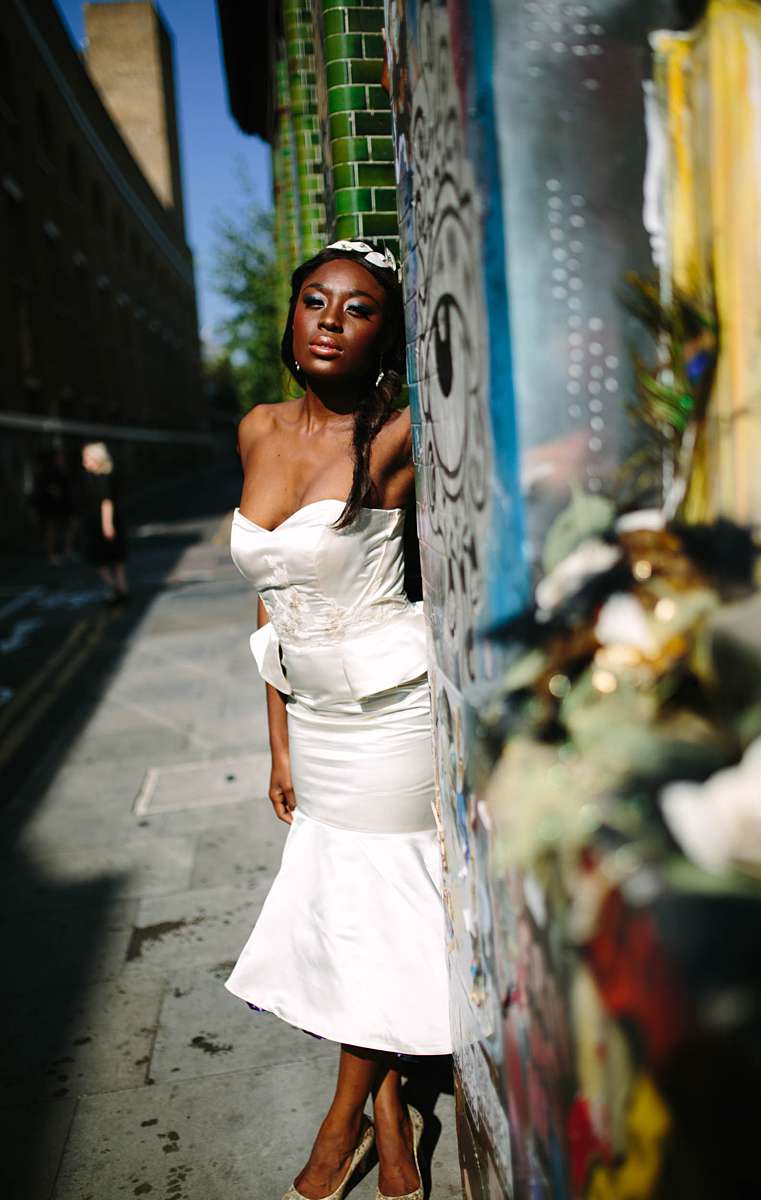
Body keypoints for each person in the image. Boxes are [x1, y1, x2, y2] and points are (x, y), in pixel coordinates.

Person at [227, 240, 450, 1200]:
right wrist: (277, 741)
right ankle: (392, 1115)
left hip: (391, 716)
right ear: (292, 318)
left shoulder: (396, 436)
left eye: (357, 310)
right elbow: (269, 603)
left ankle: (339, 1126)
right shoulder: (257, 428)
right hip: (311, 720)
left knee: (379, 914)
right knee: (349, 919)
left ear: (381, 335)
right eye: (315, 301)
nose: (329, 320)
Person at [81, 441, 129, 603]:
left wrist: (106, 525)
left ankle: (115, 587)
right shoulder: (102, 476)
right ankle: (121, 588)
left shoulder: (101, 478)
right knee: (116, 558)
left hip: (101, 522)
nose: (84, 461)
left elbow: (106, 502)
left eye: (87, 457)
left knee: (101, 558)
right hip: (105, 521)